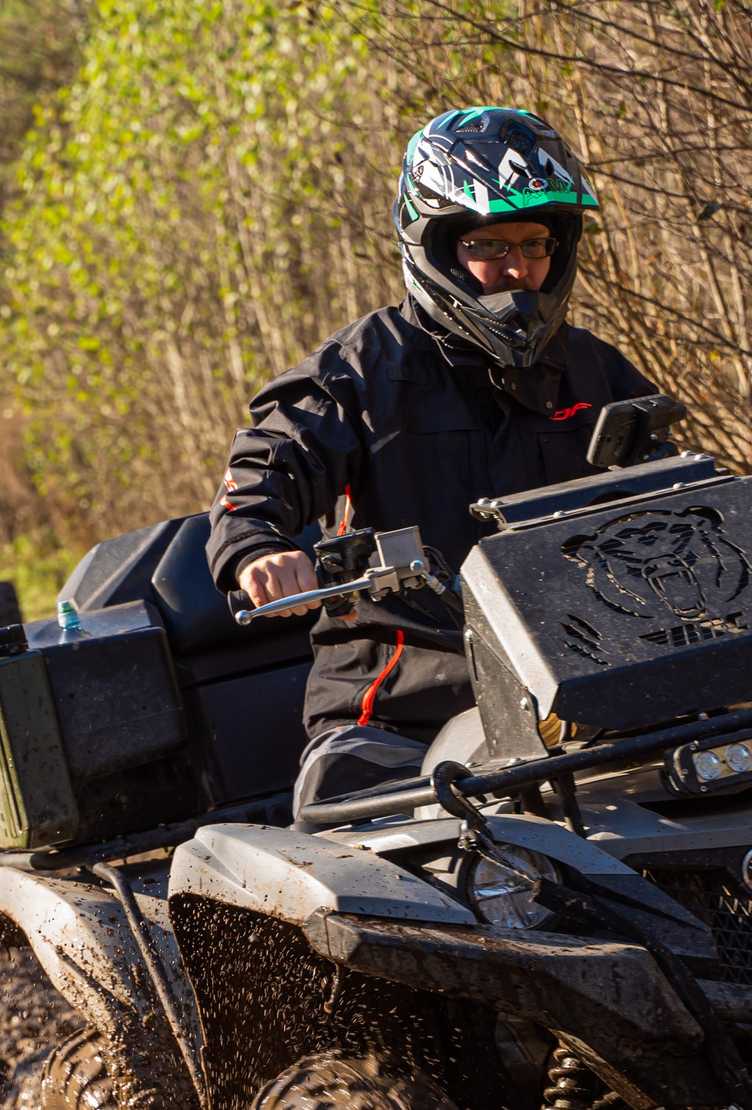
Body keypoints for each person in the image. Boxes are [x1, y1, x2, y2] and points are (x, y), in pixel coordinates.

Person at [205, 107, 662, 811]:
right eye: (490, 244)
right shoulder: (358, 373)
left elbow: (682, 492)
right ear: (439, 246)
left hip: (583, 692)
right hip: (398, 712)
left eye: (537, 242)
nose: (519, 268)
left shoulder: (596, 375)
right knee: (370, 860)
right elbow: (264, 467)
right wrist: (256, 546)